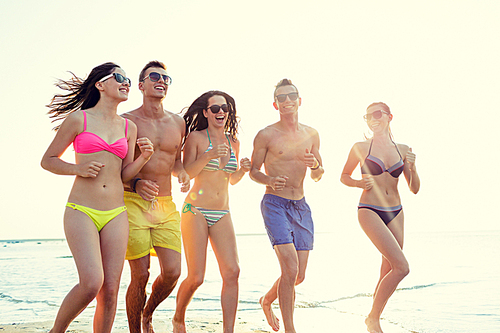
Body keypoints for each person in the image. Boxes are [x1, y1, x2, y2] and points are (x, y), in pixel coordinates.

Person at [41, 62, 154, 333]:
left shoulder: (129, 127)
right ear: (100, 85)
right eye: (119, 77)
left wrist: (144, 158)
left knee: (111, 290)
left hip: (116, 212)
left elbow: (125, 174)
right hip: (82, 209)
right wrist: (77, 168)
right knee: (92, 282)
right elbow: (48, 160)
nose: (125, 82)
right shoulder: (79, 119)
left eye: (127, 79)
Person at [172, 90, 251, 333]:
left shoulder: (233, 142)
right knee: (196, 277)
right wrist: (207, 155)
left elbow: (231, 179)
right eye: (215, 108)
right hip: (195, 210)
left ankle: (229, 330)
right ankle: (178, 318)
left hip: (222, 212)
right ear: (206, 113)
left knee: (233, 271)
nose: (220, 112)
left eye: (224, 108)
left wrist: (243, 170)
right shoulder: (196, 138)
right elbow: (188, 172)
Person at [121, 61, 190, 333]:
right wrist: (136, 183)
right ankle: (135, 330)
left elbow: (177, 161)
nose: (161, 80)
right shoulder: (127, 121)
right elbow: (116, 169)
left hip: (166, 204)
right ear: (141, 85)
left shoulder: (178, 122)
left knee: (173, 272)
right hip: (132, 203)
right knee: (140, 275)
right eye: (154, 76)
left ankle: (147, 313)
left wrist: (182, 172)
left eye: (165, 77)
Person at [249, 79, 324, 333]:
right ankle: (291, 330)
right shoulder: (266, 135)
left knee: (298, 275)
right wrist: (269, 180)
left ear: (300, 100)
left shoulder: (311, 134)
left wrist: (314, 164)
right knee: (289, 268)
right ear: (275, 104)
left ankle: (267, 299)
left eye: (292, 96)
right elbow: (253, 172)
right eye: (281, 98)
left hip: (301, 206)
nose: (287, 101)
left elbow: (318, 173)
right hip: (275, 204)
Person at [340, 102, 420, 333]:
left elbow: (414, 188)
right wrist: (357, 182)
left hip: (396, 211)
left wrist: (412, 169)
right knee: (402, 267)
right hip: (369, 209)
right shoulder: (360, 147)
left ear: (389, 117)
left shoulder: (403, 149)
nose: (372, 119)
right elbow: (344, 175)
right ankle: (373, 318)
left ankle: (374, 321)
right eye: (367, 116)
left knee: (388, 271)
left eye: (377, 114)